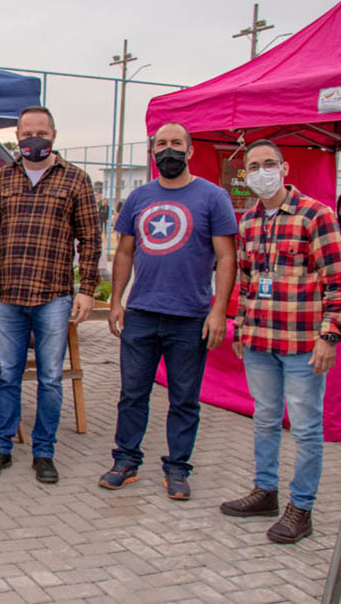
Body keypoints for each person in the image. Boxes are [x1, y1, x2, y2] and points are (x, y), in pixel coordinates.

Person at [99, 122, 237, 501]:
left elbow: (226, 257)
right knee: (132, 394)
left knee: (184, 398)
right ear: (153, 151)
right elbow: (124, 252)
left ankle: (177, 467)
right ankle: (125, 460)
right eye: (162, 143)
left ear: (190, 151)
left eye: (177, 143)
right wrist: (116, 302)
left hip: (190, 316)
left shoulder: (213, 197)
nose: (169, 149)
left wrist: (218, 311)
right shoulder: (139, 197)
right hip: (142, 312)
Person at [220, 140, 341, 543]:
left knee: (306, 428)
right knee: (265, 419)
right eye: (253, 167)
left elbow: (336, 281)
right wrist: (242, 328)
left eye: (268, 164)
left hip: (304, 342)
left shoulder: (316, 216)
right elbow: (249, 281)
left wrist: (329, 335)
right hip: (259, 340)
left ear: (285, 167)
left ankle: (301, 507)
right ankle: (265, 491)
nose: (261, 172)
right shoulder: (250, 222)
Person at [0, 106, 101, 484]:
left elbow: (91, 239)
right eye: (27, 133)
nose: (35, 139)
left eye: (42, 133)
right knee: (7, 375)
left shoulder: (75, 180)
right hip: (10, 295)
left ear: (54, 135)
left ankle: (44, 452)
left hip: (53, 295)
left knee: (50, 378)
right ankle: (1, 447)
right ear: (16, 137)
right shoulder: (2, 179)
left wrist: (87, 291)